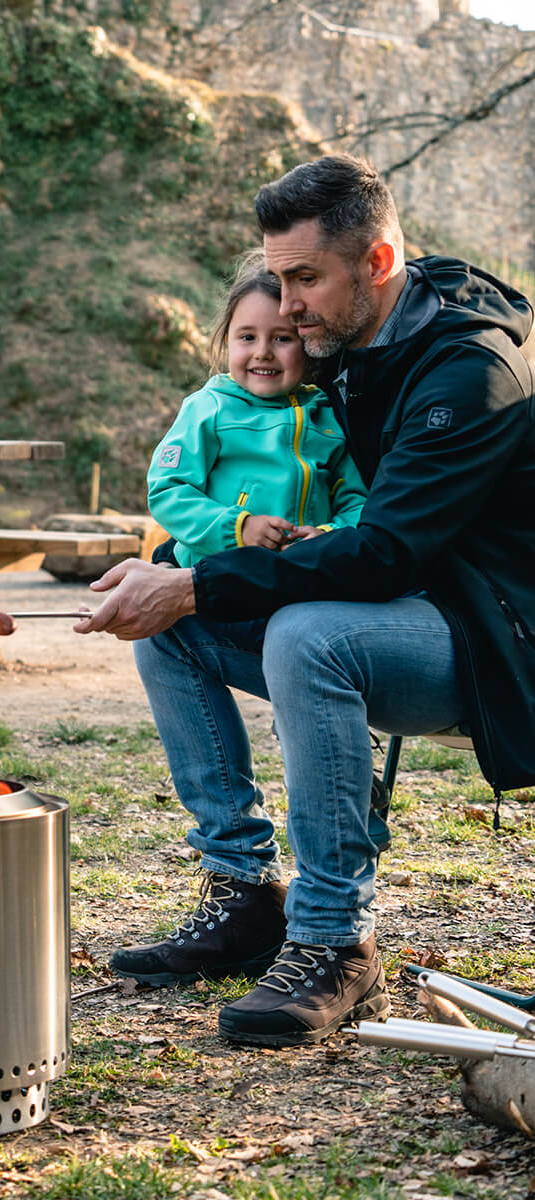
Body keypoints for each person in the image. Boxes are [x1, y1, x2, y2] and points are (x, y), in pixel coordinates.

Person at [75, 154, 535, 1047]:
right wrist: (186, 571)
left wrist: (198, 580)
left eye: (303, 280)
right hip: (417, 605)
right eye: (277, 277)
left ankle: (333, 938)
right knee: (175, 628)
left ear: (378, 262)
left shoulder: (469, 373)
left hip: (500, 640)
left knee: (310, 635)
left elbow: (382, 555)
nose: (283, 308)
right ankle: (246, 894)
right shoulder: (363, 333)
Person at [148, 252, 367, 567]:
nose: (262, 352)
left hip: (295, 582)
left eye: (282, 338)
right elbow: (168, 491)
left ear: (307, 345)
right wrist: (239, 528)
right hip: (210, 582)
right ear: (227, 340)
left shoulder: (326, 417)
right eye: (247, 337)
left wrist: (326, 535)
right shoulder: (208, 409)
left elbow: (356, 503)